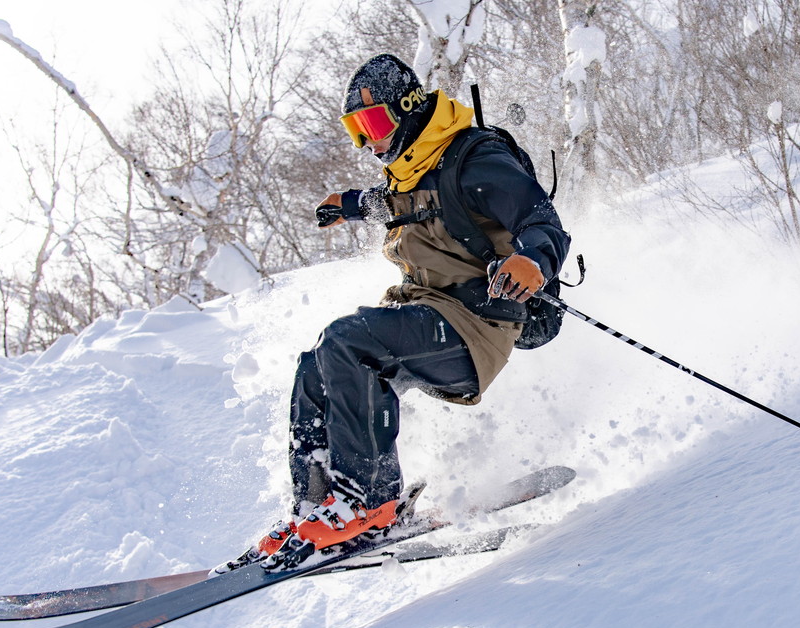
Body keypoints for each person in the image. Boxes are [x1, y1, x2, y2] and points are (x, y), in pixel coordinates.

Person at [225, 54, 571, 570]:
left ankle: (367, 501)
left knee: (348, 342)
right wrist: (349, 204)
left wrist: (532, 259)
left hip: (476, 326)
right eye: (356, 129)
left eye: (375, 123)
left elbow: (539, 217)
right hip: (428, 315)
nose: (369, 141)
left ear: (408, 111)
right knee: (315, 365)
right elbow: (397, 202)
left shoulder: (473, 159)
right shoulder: (412, 167)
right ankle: (317, 506)